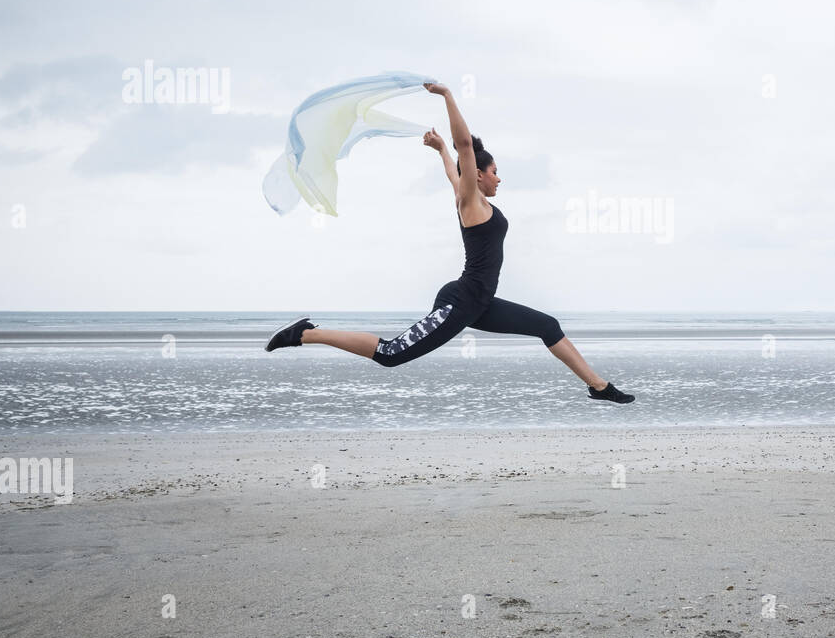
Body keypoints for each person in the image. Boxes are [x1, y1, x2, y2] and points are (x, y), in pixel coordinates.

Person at [265, 81, 635, 403]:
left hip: (481, 302)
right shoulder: (470, 201)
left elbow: (453, 169)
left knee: (547, 325)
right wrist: (446, 95)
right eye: (494, 172)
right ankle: (306, 334)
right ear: (478, 174)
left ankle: (598, 387)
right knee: (391, 354)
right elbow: (465, 148)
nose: (499, 179)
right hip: (460, 301)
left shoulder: (473, 198)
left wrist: (441, 151)